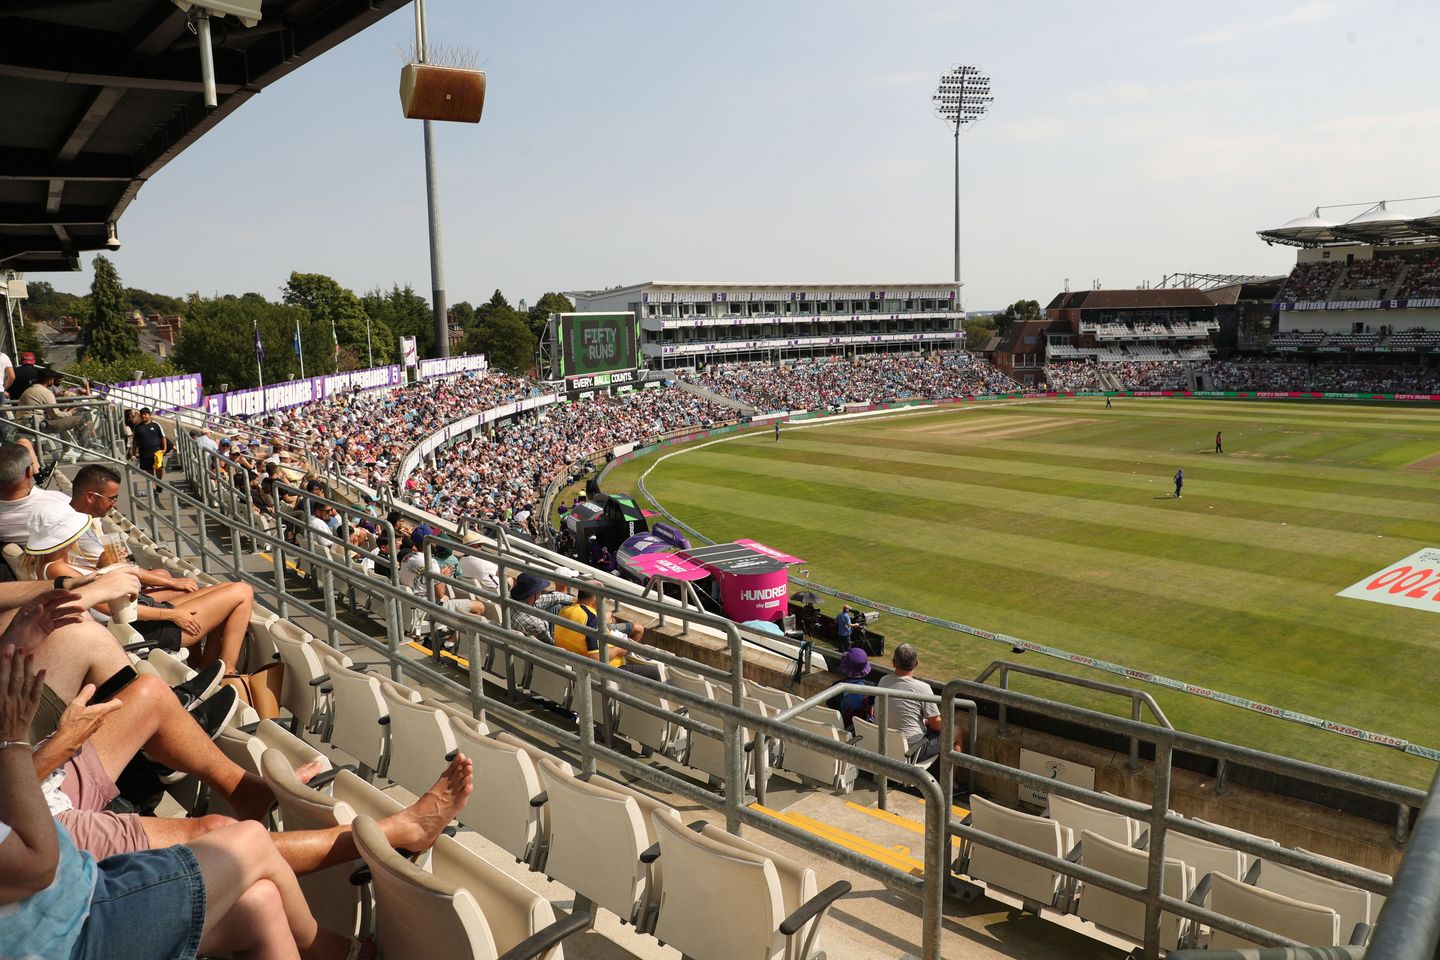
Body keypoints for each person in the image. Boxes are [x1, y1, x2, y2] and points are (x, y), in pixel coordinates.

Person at [0, 641, 409, 960]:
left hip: (51, 861)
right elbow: (38, 865)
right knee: (237, 839)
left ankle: (248, 791)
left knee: (261, 902)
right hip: (65, 926)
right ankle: (376, 851)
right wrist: (20, 741)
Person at [28, 498, 256, 670]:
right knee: (242, 591)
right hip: (140, 625)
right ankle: (227, 670)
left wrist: (106, 567)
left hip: (136, 619)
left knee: (223, 590)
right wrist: (171, 615)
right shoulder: (58, 570)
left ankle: (208, 666)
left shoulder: (55, 566)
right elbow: (107, 607)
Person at [876, 643, 962, 765]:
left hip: (881, 745)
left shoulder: (883, 681)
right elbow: (937, 726)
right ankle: (949, 777)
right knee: (957, 731)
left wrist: (925, 721)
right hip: (911, 751)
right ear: (916, 663)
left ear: (893, 663)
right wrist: (947, 718)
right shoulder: (923, 688)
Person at [554, 583, 661, 680]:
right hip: (607, 674)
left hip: (575, 671)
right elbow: (595, 658)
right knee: (655, 673)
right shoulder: (591, 619)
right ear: (596, 598)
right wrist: (618, 649)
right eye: (604, 597)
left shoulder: (564, 610)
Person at [828, 647, 875, 732]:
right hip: (863, 731)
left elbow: (831, 705)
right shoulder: (872, 687)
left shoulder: (836, 687)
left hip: (841, 731)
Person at [129, 408, 170, 483]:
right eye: (142, 414)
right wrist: (133, 453)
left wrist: (164, 449)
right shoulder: (137, 427)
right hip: (144, 453)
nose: (143, 416)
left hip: (157, 452)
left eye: (145, 414)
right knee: (149, 470)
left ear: (149, 415)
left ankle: (159, 483)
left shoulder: (156, 425)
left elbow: (163, 437)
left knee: (159, 469)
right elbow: (135, 442)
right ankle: (153, 486)